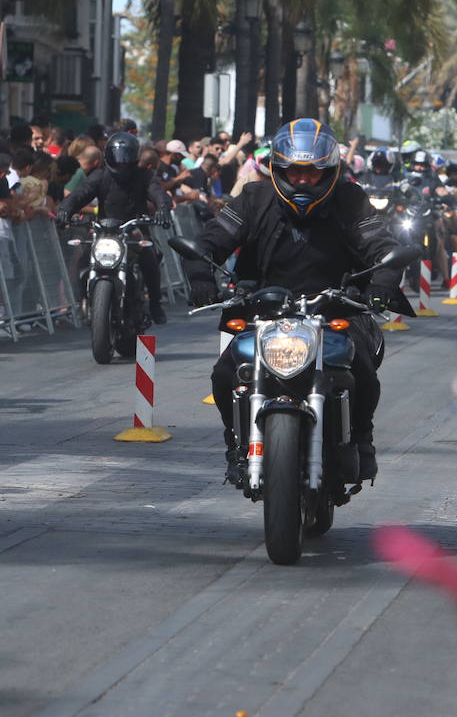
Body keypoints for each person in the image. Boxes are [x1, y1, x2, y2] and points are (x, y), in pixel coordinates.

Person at [187, 118, 400, 483]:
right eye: (295, 172)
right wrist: (201, 276)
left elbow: (382, 246)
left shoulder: (350, 200)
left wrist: (381, 284)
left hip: (335, 310)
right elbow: (211, 239)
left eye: (313, 173)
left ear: (329, 171)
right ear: (278, 169)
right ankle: (236, 442)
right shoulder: (255, 198)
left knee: (362, 369)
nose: (303, 180)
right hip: (262, 310)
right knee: (225, 374)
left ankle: (362, 439)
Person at [55, 130, 173, 324]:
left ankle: (155, 303)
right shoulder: (100, 175)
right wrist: (65, 209)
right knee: (84, 261)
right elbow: (81, 193)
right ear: (108, 156)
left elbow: (158, 193)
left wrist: (162, 208)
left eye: (126, 159)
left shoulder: (144, 176)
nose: (122, 163)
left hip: (135, 227)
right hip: (106, 231)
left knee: (150, 258)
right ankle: (85, 302)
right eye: (118, 159)